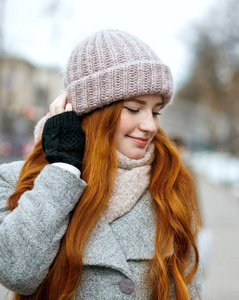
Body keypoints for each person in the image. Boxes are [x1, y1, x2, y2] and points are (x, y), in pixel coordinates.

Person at [0, 29, 202, 300]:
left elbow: (191, 290)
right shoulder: (17, 181)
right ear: (91, 112)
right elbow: (17, 273)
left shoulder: (170, 182)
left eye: (156, 111)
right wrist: (63, 169)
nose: (150, 125)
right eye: (133, 108)